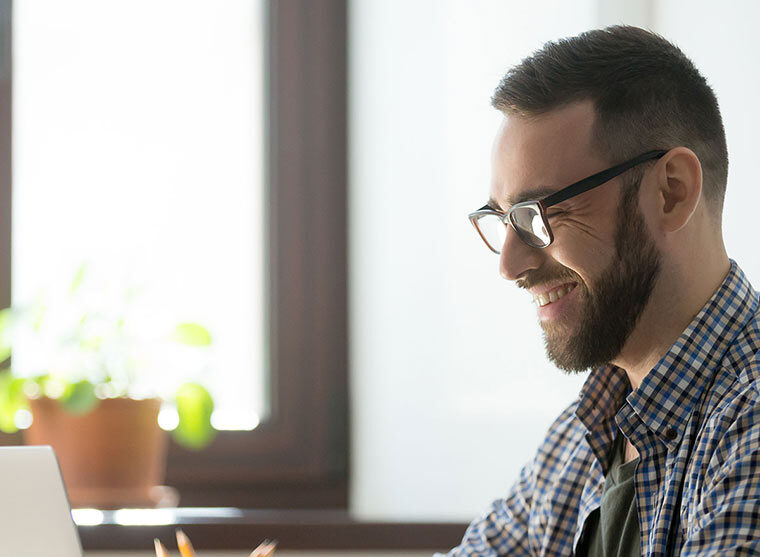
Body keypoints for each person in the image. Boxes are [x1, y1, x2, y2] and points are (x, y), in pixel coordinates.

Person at [440, 25, 760, 556]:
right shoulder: (584, 430)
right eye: (503, 219)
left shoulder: (748, 428)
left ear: (671, 192)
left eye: (541, 214)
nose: (509, 265)